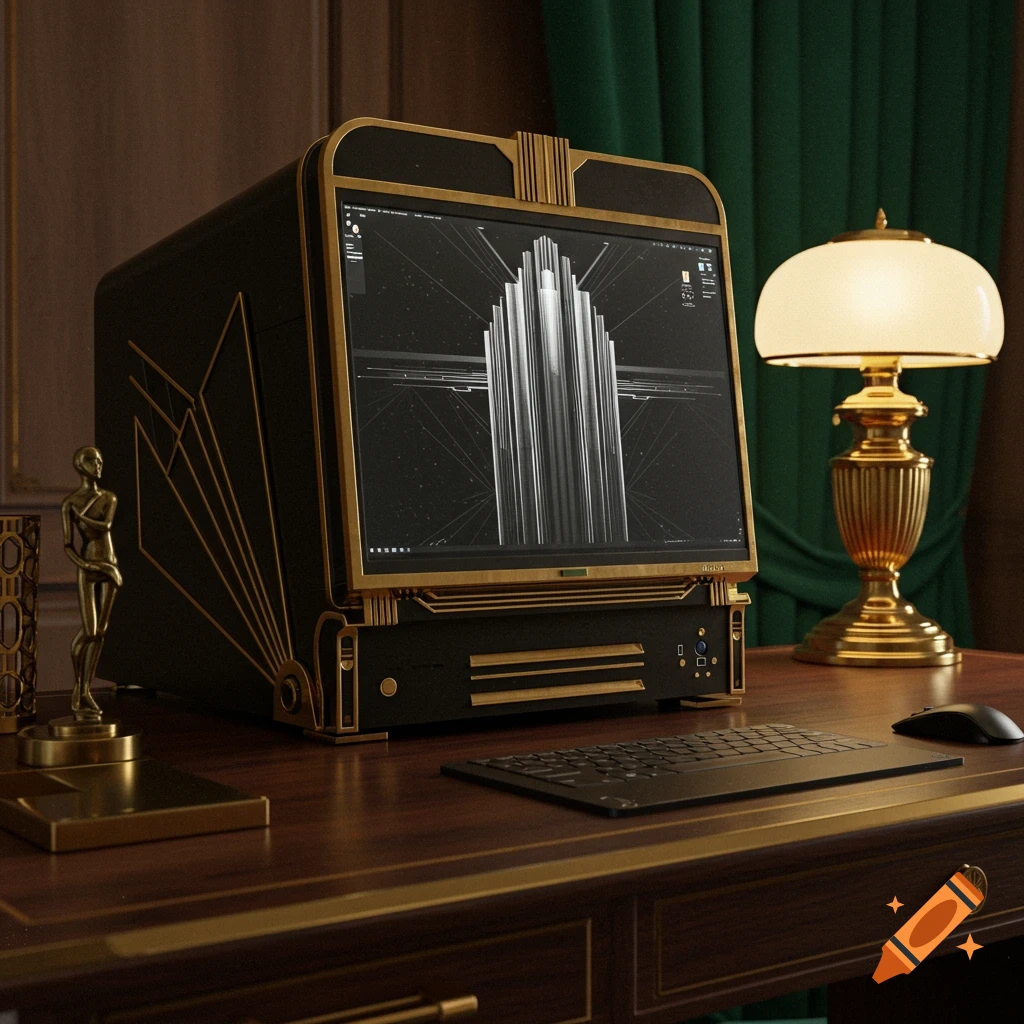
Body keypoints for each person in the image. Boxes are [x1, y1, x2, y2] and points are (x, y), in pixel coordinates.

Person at [61, 446, 122, 719]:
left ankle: (86, 690)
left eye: (99, 459)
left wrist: (80, 516)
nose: (98, 464)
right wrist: (85, 564)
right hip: (88, 566)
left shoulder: (109, 498)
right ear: (79, 465)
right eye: (91, 460)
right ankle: (79, 688)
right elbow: (68, 544)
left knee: (101, 632)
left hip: (109, 564)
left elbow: (105, 527)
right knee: (89, 630)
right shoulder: (69, 503)